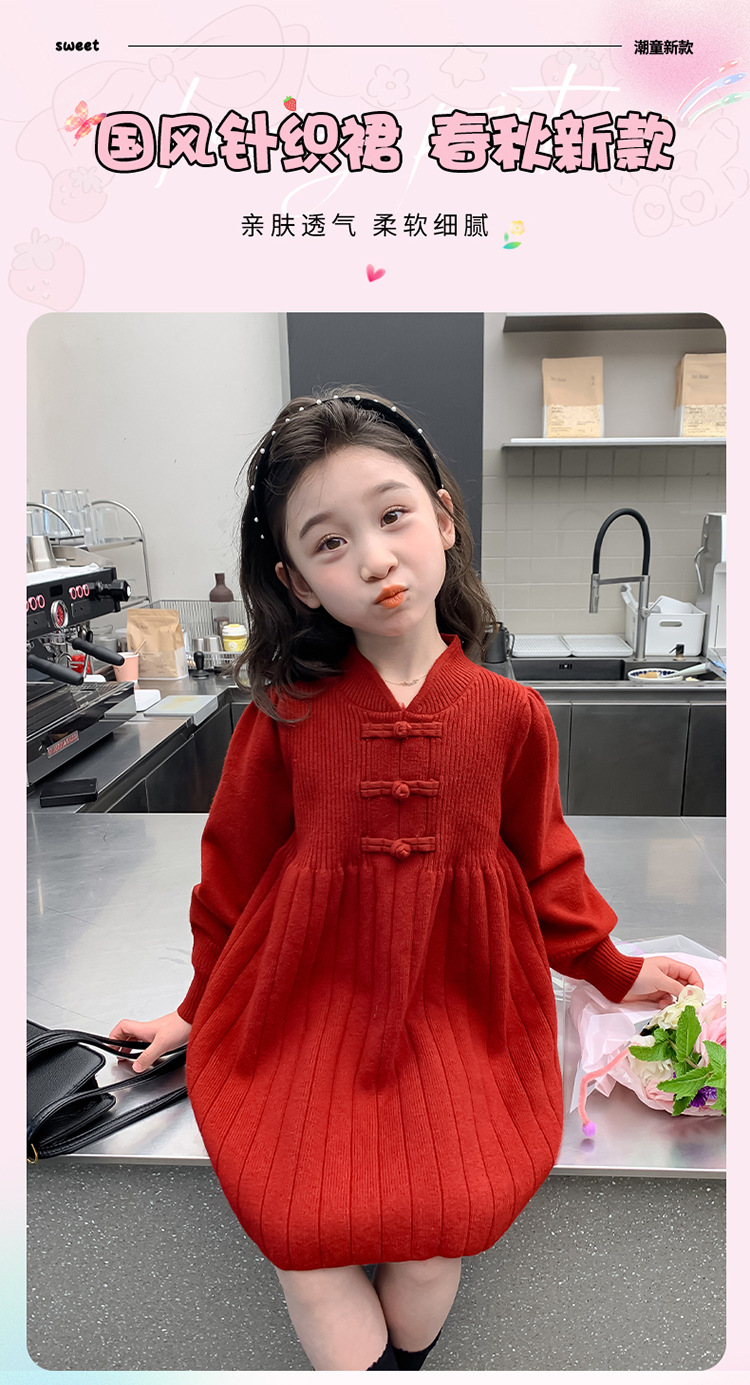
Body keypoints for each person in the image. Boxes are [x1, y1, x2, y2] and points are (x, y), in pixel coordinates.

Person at [110, 387, 703, 1371]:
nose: (375, 557)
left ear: (444, 517)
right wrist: (194, 1009)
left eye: (392, 515)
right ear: (298, 582)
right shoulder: (282, 715)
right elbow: (230, 879)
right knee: (301, 1236)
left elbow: (547, 862)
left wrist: (612, 967)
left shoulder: (512, 714)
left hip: (463, 1012)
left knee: (442, 1232)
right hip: (301, 1011)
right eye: (329, 542)